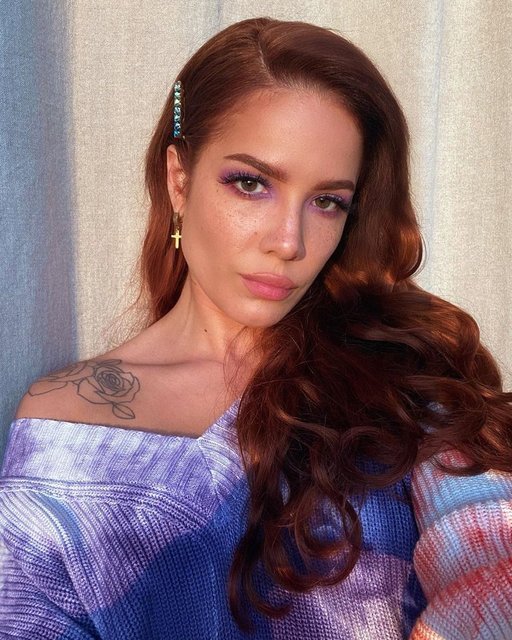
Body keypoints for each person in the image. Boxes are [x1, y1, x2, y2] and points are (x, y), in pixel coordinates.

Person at [1, 16, 511, 640]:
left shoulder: (407, 381)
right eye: (251, 184)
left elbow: (491, 570)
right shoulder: (65, 429)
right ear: (179, 180)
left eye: (327, 201)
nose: (289, 242)